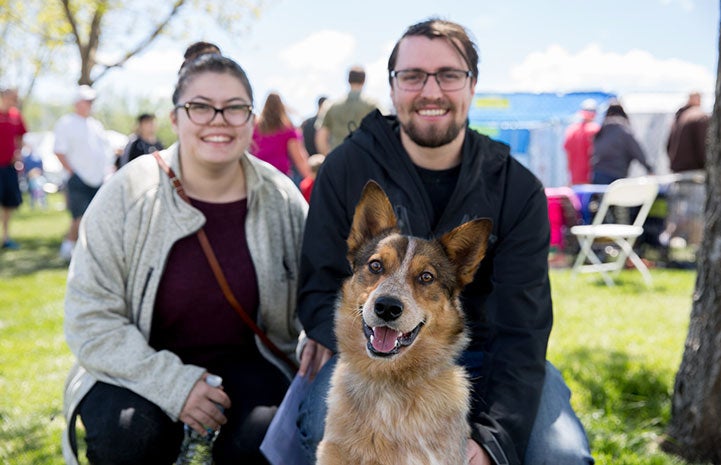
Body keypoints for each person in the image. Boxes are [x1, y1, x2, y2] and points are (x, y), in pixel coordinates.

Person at [295, 18, 594, 465]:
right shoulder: (346, 168)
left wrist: (492, 439)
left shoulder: (516, 188)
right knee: (334, 436)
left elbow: (523, 330)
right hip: (368, 357)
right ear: (393, 87)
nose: (430, 91)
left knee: (562, 455)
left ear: (471, 85)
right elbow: (317, 288)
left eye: (449, 75)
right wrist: (362, 339)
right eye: (412, 76)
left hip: (490, 361)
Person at [61, 53, 308, 465]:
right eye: (199, 106)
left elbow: (315, 294)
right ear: (174, 119)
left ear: (251, 120)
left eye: (234, 108)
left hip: (251, 363)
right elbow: (89, 317)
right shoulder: (125, 193)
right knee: (129, 434)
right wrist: (176, 386)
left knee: (265, 441)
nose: (218, 119)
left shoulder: (281, 198)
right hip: (137, 365)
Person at [54, 85, 114, 261]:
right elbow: (59, 151)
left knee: (93, 218)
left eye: (91, 101)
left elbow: (105, 152)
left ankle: (85, 252)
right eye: (87, 101)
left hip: (98, 179)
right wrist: (72, 172)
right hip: (78, 178)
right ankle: (68, 248)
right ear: (77, 103)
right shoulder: (66, 123)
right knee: (79, 217)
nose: (90, 104)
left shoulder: (95, 125)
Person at [314, 66, 379, 154]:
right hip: (365, 161)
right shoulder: (372, 105)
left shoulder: (331, 106)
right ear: (364, 81)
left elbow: (321, 138)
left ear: (348, 80)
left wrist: (330, 159)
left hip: (338, 161)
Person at [251, 92, 312, 182]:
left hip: (258, 177)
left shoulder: (254, 129)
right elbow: (299, 159)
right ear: (281, 107)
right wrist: (312, 179)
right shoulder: (287, 130)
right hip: (281, 179)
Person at [590, 102, 653, 184]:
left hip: (597, 175)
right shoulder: (624, 131)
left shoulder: (601, 131)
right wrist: (649, 169)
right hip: (616, 176)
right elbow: (637, 151)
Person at [0, 87, 27, 250]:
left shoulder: (16, 116)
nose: (15, 101)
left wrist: (18, 152)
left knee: (9, 204)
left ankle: (6, 237)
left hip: (9, 167)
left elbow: (21, 136)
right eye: (12, 98)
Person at [666, 91, 710, 173]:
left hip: (677, 169)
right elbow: (702, 146)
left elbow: (667, 147)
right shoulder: (698, 116)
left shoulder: (679, 118)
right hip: (693, 171)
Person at [563, 98, 600, 185]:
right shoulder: (595, 129)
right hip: (591, 178)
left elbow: (568, 157)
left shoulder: (571, 131)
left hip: (575, 178)